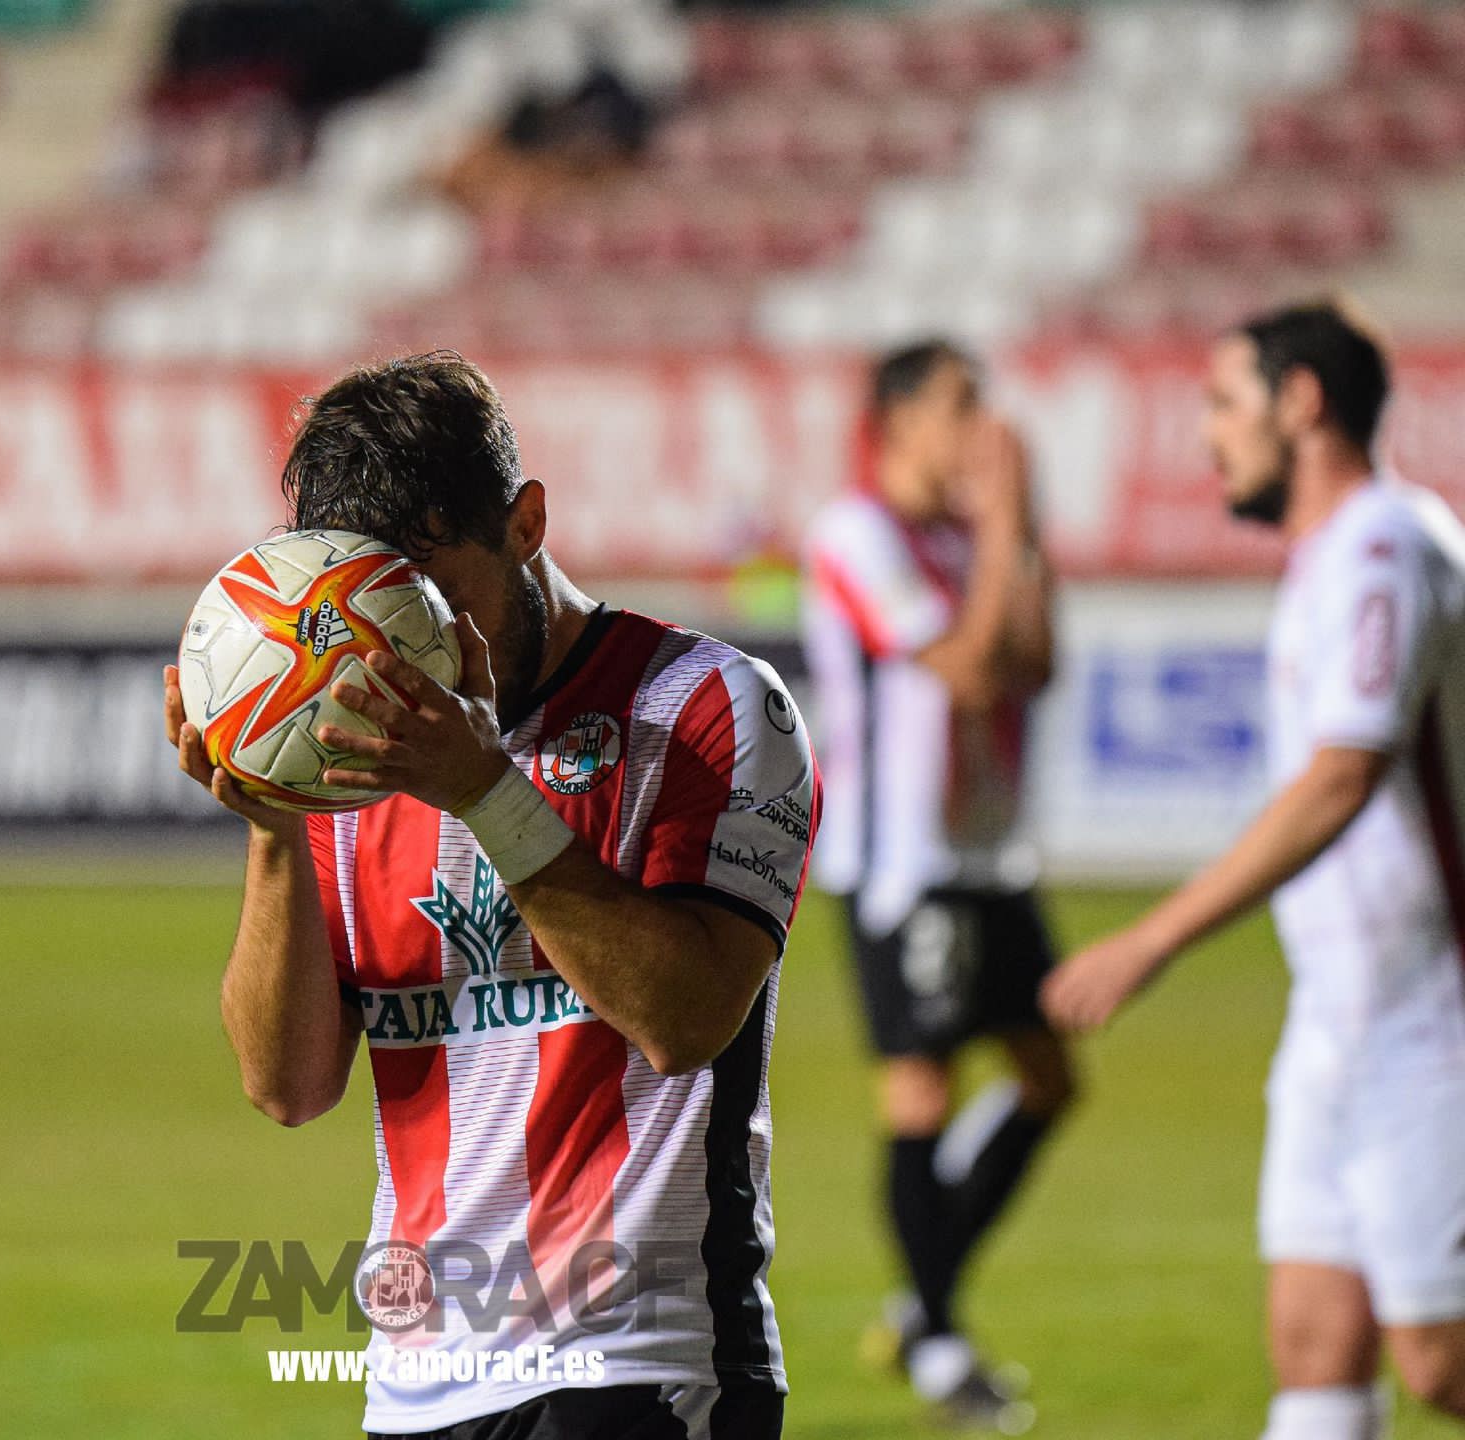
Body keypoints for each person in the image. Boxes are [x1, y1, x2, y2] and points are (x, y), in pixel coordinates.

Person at [163, 351, 819, 1439]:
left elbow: (684, 1019)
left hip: (643, 1369)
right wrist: (273, 832)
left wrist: (481, 790)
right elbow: (285, 1085)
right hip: (414, 1385)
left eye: (432, 598)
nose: (416, 652)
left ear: (525, 524)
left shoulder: (708, 706)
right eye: (381, 611)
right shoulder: (350, 756)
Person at [1046, 301, 1465, 1438]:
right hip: (1341, 1017)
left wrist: (1149, 936)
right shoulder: (1334, 559)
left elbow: (1341, 777)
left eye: (1221, 404)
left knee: (1436, 1363)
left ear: (1301, 402)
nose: (1204, 437)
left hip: (1431, 1022)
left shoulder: (1386, 546)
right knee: (1315, 1343)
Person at [799, 340, 1073, 1430]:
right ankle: (940, 1344)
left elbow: (1036, 662)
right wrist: (1007, 532)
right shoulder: (855, 533)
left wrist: (1020, 528)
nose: (982, 426)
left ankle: (919, 1308)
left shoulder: (969, 539)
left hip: (985, 853)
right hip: (895, 863)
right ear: (898, 419)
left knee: (1049, 1079)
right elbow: (961, 667)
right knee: (919, 1094)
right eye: (962, 403)